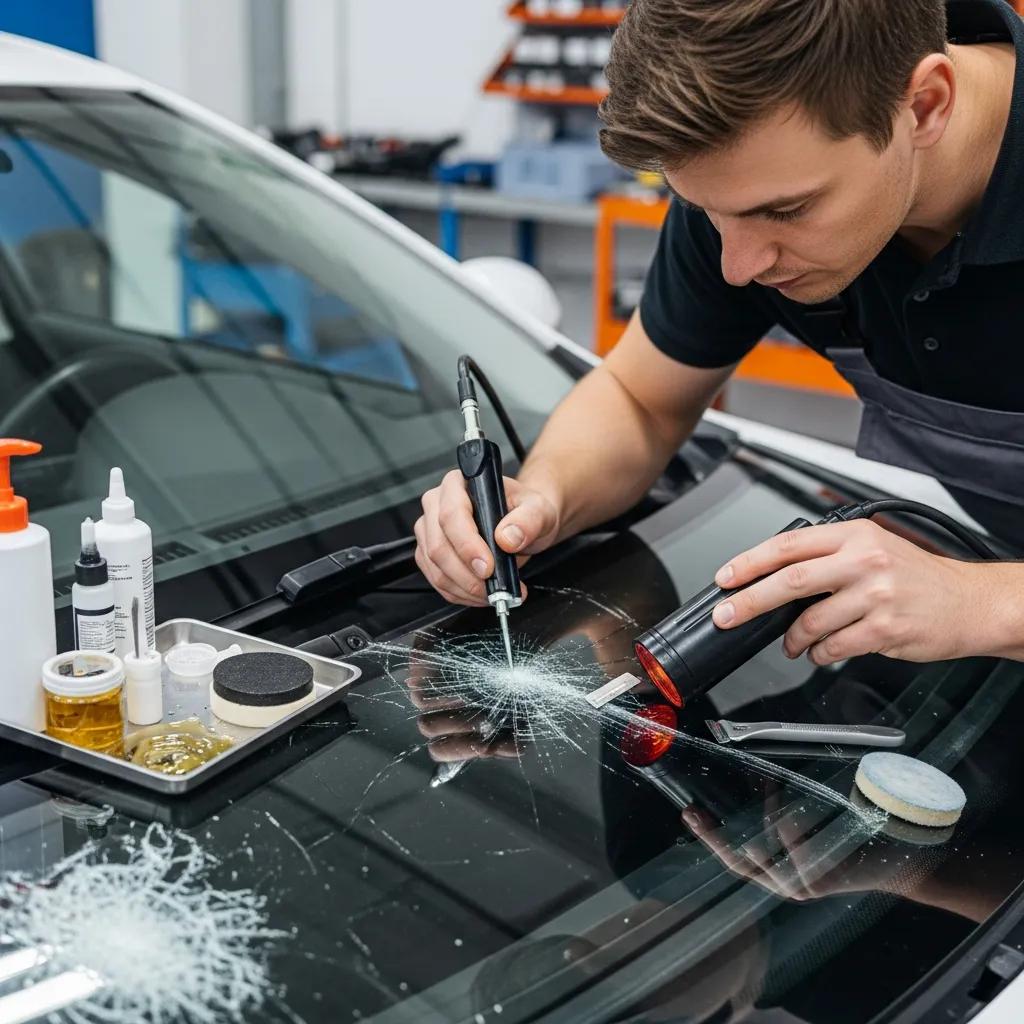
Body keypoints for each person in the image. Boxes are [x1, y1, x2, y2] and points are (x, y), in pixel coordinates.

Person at [415, 0, 1024, 669]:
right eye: (708, 213)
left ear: (926, 105)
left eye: (785, 211)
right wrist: (545, 498)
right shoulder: (752, 180)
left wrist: (982, 603)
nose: (739, 268)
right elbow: (642, 398)